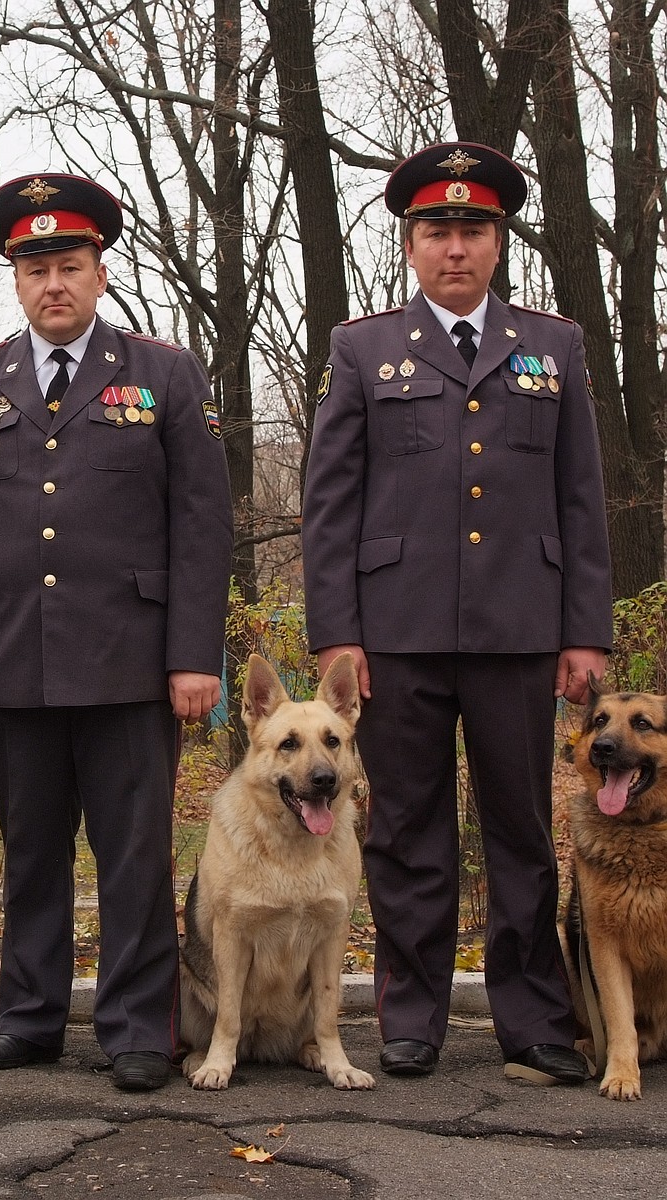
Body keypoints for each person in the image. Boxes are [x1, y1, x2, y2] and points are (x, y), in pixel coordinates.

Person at [0, 173, 233, 1091]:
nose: (53, 282)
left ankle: (138, 1029)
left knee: (134, 854)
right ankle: (29, 1016)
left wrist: (190, 657)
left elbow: (201, 523)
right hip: (10, 656)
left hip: (133, 661)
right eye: (36, 267)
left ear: (100, 272)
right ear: (15, 280)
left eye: (70, 264)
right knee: (31, 848)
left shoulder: (163, 374)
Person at [302, 143, 612, 1085]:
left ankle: (533, 1018)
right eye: (437, 230)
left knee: (521, 827)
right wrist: (339, 638)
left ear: (498, 240)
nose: (456, 248)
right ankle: (412, 1017)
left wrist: (584, 631)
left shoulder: (553, 346)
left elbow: (579, 498)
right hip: (395, 634)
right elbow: (331, 503)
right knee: (406, 829)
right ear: (410, 243)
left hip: (522, 627)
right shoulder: (364, 348)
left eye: (473, 230)